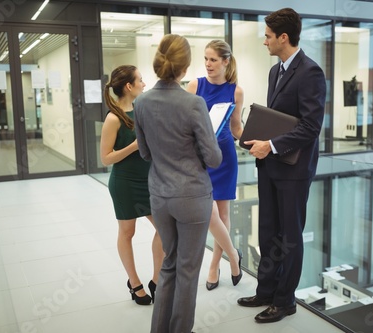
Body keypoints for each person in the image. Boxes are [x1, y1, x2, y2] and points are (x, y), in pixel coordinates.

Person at [236, 8, 326, 324]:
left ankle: (285, 301)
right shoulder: (276, 71)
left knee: (289, 237)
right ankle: (266, 290)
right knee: (267, 232)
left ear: (283, 38)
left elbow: (310, 127)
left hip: (294, 171)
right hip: (270, 166)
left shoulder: (311, 73)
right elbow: (280, 119)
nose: (265, 42)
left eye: (268, 36)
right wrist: (257, 139)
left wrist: (271, 145)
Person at [134, 34, 222, 333]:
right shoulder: (194, 103)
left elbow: (145, 152)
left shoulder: (141, 101)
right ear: (185, 68)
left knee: (168, 265)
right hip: (191, 197)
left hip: (160, 195)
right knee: (187, 270)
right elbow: (214, 158)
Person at [99, 65, 164, 306]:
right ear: (129, 86)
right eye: (140, 80)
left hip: (149, 181)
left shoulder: (143, 110)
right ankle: (134, 283)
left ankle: (157, 281)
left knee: (165, 230)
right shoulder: (113, 118)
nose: (144, 84)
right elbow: (105, 158)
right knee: (128, 232)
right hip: (124, 183)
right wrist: (132, 147)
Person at [186, 39, 244, 291]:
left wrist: (258, 136)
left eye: (213, 59)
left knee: (223, 213)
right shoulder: (194, 85)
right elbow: (185, 124)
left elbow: (237, 128)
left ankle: (214, 265)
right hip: (200, 158)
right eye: (206, 59)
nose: (208, 64)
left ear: (225, 61)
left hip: (225, 157)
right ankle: (233, 255)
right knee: (209, 213)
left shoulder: (236, 91)